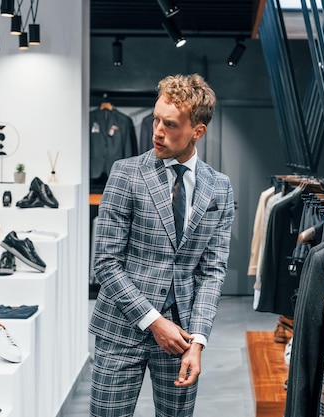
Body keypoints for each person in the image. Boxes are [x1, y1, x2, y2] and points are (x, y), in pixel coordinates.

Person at [89, 73, 235, 417]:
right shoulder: (126, 173)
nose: (157, 131)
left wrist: (197, 341)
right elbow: (106, 263)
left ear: (197, 131)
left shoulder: (220, 187)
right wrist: (154, 321)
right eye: (155, 119)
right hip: (121, 328)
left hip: (182, 335)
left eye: (169, 124)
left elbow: (212, 271)